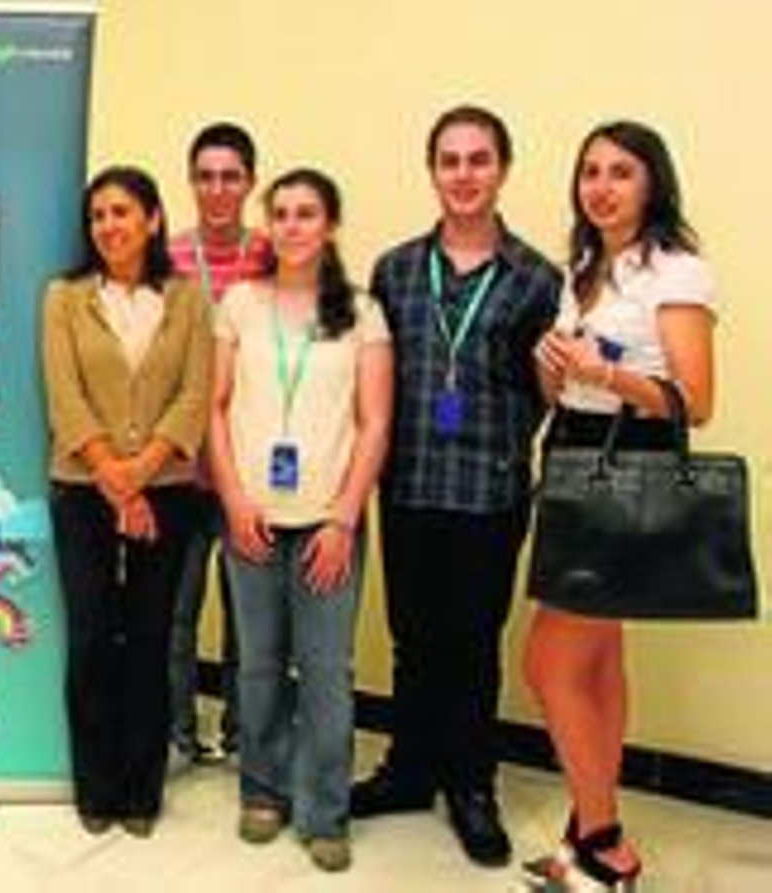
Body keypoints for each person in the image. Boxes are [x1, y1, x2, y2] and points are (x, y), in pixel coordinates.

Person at [354, 105, 563, 867]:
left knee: (473, 644)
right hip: (408, 483)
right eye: (450, 160)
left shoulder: (538, 277)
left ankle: (473, 786)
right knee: (413, 639)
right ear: (432, 171)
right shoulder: (395, 268)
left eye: (479, 159)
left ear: (502, 169)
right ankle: (409, 769)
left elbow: (545, 390)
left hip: (488, 490)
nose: (464, 174)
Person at [522, 121, 715, 891]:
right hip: (572, 451)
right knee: (598, 660)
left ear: (652, 183)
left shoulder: (676, 270)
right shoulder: (585, 270)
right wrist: (553, 364)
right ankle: (585, 830)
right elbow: (565, 386)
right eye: (590, 171)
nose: (600, 186)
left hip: (626, 461)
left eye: (621, 172)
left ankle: (606, 841)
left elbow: (693, 401)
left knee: (547, 663)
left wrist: (603, 372)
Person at [209, 168, 392, 873]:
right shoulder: (240, 303)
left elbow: (375, 423)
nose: (291, 225)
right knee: (256, 665)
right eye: (280, 213)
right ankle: (263, 789)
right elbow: (216, 408)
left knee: (325, 670)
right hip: (251, 516)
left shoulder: (363, 312)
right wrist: (234, 499)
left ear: (331, 225)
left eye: (306, 213)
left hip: (327, 522)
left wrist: (344, 517)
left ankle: (323, 809)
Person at [42, 165, 211, 838]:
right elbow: (65, 396)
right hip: (82, 491)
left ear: (153, 219)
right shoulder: (65, 297)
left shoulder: (189, 298)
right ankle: (97, 786)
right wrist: (115, 477)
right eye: (98, 215)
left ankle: (141, 789)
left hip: (166, 494)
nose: (109, 225)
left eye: (122, 212)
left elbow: (194, 396)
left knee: (148, 640)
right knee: (89, 638)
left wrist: (140, 478)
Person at [166, 121, 273, 766]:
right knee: (175, 617)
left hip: (250, 470)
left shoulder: (274, 255)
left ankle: (244, 737)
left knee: (250, 623)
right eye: (205, 176)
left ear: (251, 182)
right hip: (178, 469)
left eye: (231, 176)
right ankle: (177, 735)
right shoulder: (168, 257)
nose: (217, 189)